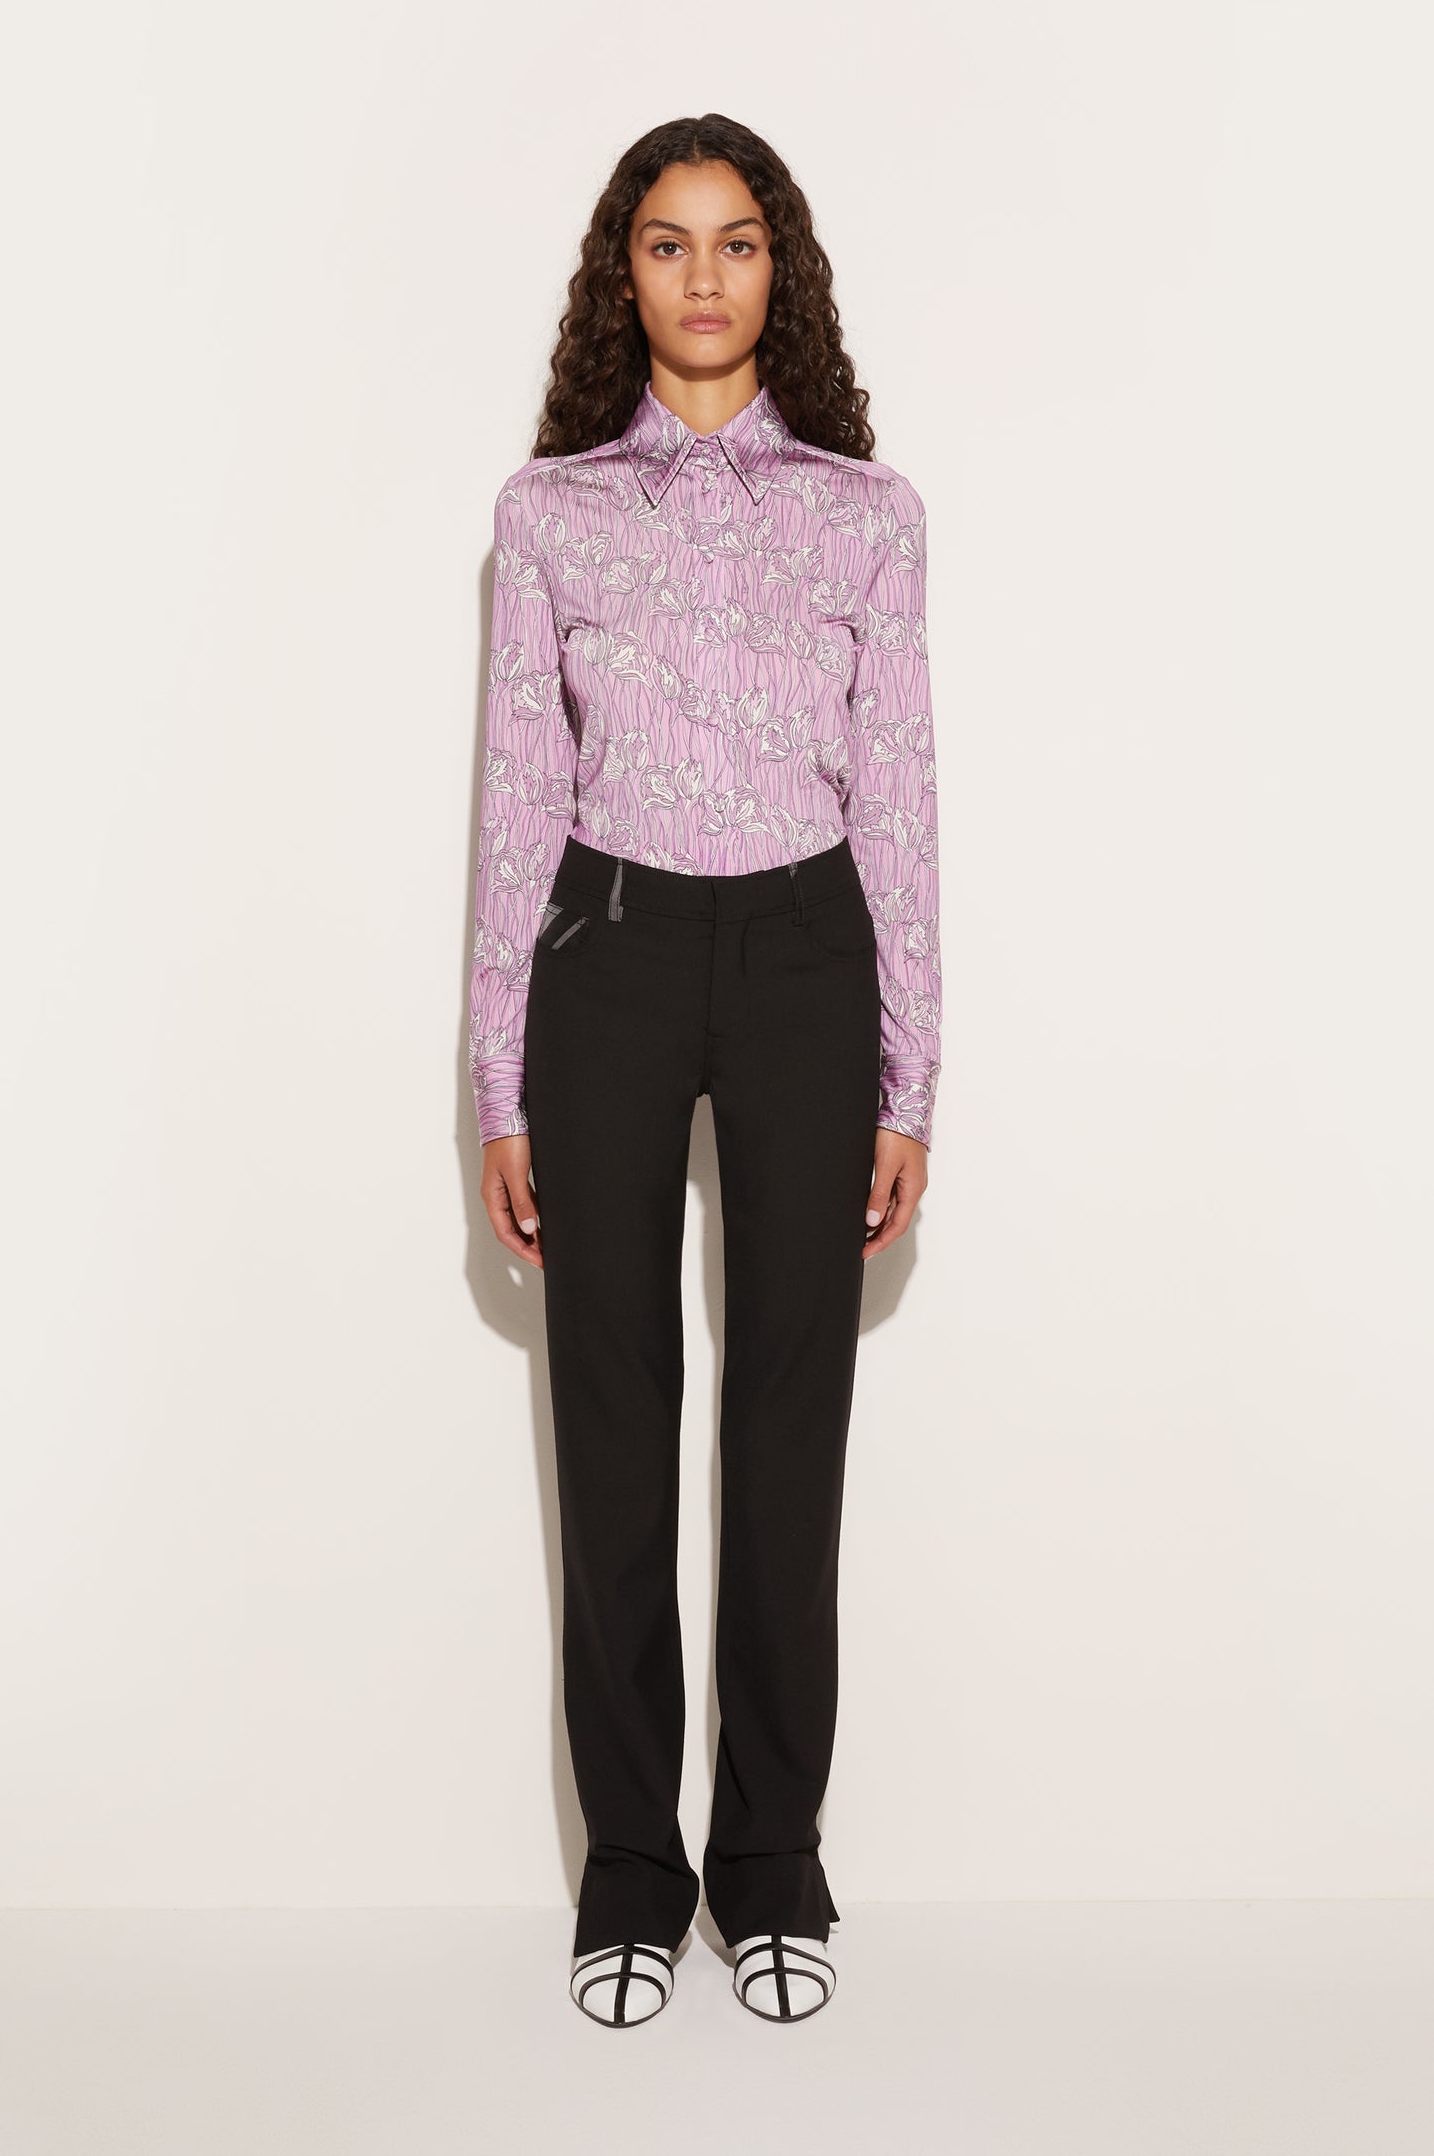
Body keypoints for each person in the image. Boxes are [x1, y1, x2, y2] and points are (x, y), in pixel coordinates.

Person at [468, 113, 941, 2027]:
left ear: (779, 269)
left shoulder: (867, 511)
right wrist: (494, 1082)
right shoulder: (547, 513)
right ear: (625, 275)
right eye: (666, 244)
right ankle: (629, 1878)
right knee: (609, 1409)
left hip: (810, 947)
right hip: (607, 946)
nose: (702, 277)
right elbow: (517, 799)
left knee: (789, 1416)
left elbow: (899, 795)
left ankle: (770, 1861)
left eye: (734, 242)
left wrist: (911, 1073)